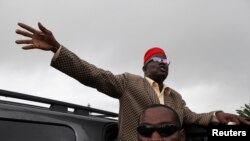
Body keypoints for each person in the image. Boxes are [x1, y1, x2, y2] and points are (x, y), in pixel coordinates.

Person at [15, 22, 250, 141]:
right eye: (155, 59)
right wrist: (57, 49)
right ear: (144, 66)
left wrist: (219, 116)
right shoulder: (129, 83)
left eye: (165, 60)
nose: (162, 63)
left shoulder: (175, 97)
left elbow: (193, 118)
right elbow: (94, 75)